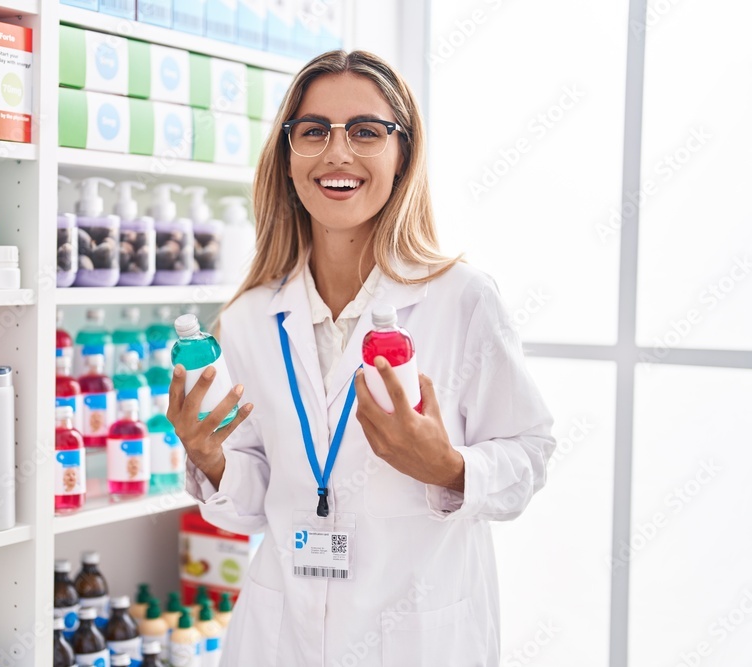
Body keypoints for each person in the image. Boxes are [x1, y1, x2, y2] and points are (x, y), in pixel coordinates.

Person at [166, 50, 556, 667]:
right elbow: (252, 502)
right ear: (288, 155)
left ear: (403, 156)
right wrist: (211, 457)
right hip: (281, 634)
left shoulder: (461, 299)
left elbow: (529, 455)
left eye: (367, 132)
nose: (337, 154)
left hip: (419, 635)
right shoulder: (247, 319)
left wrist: (447, 466)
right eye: (313, 131)